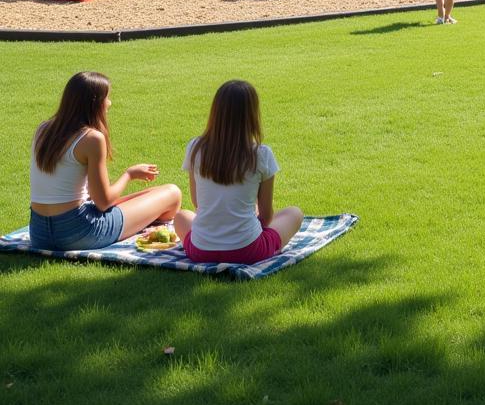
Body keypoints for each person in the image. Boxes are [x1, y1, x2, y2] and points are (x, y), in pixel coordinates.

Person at [29, 71, 181, 251]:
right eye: (107, 98)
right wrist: (129, 174)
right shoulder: (92, 139)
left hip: (39, 233)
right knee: (172, 193)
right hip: (78, 232)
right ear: (95, 102)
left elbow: (91, 197)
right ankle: (147, 228)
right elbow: (103, 202)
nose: (109, 103)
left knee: (154, 193)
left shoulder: (43, 129)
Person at [175, 80, 303, 265]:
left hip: (201, 251)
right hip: (248, 251)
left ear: (215, 113)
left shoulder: (196, 148)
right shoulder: (261, 154)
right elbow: (266, 217)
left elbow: (197, 203)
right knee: (294, 213)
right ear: (252, 115)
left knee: (181, 216)